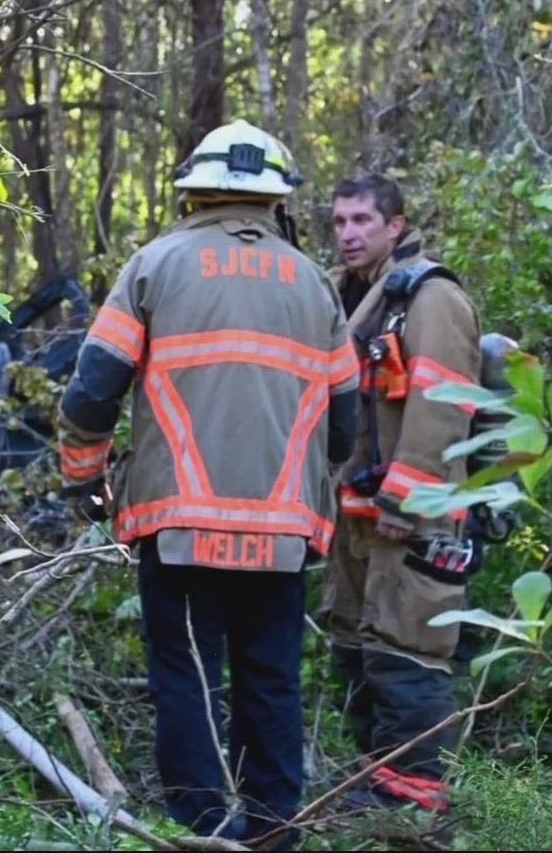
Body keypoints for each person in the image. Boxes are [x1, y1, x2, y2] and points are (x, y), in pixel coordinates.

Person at [54, 122, 360, 850]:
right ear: (276, 200)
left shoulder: (157, 264)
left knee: (188, 676)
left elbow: (92, 393)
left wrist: (83, 482)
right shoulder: (314, 284)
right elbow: (345, 425)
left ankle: (201, 828)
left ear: (193, 191)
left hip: (180, 520)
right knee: (271, 679)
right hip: (282, 529)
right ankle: (273, 831)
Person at [320, 174, 483, 814]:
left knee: (408, 651)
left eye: (362, 220)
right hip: (352, 516)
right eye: (338, 222)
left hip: (411, 520)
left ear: (395, 225)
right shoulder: (343, 298)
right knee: (356, 646)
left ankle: (414, 806)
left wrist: (407, 498)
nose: (349, 233)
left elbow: (444, 402)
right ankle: (375, 791)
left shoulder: (430, 296)